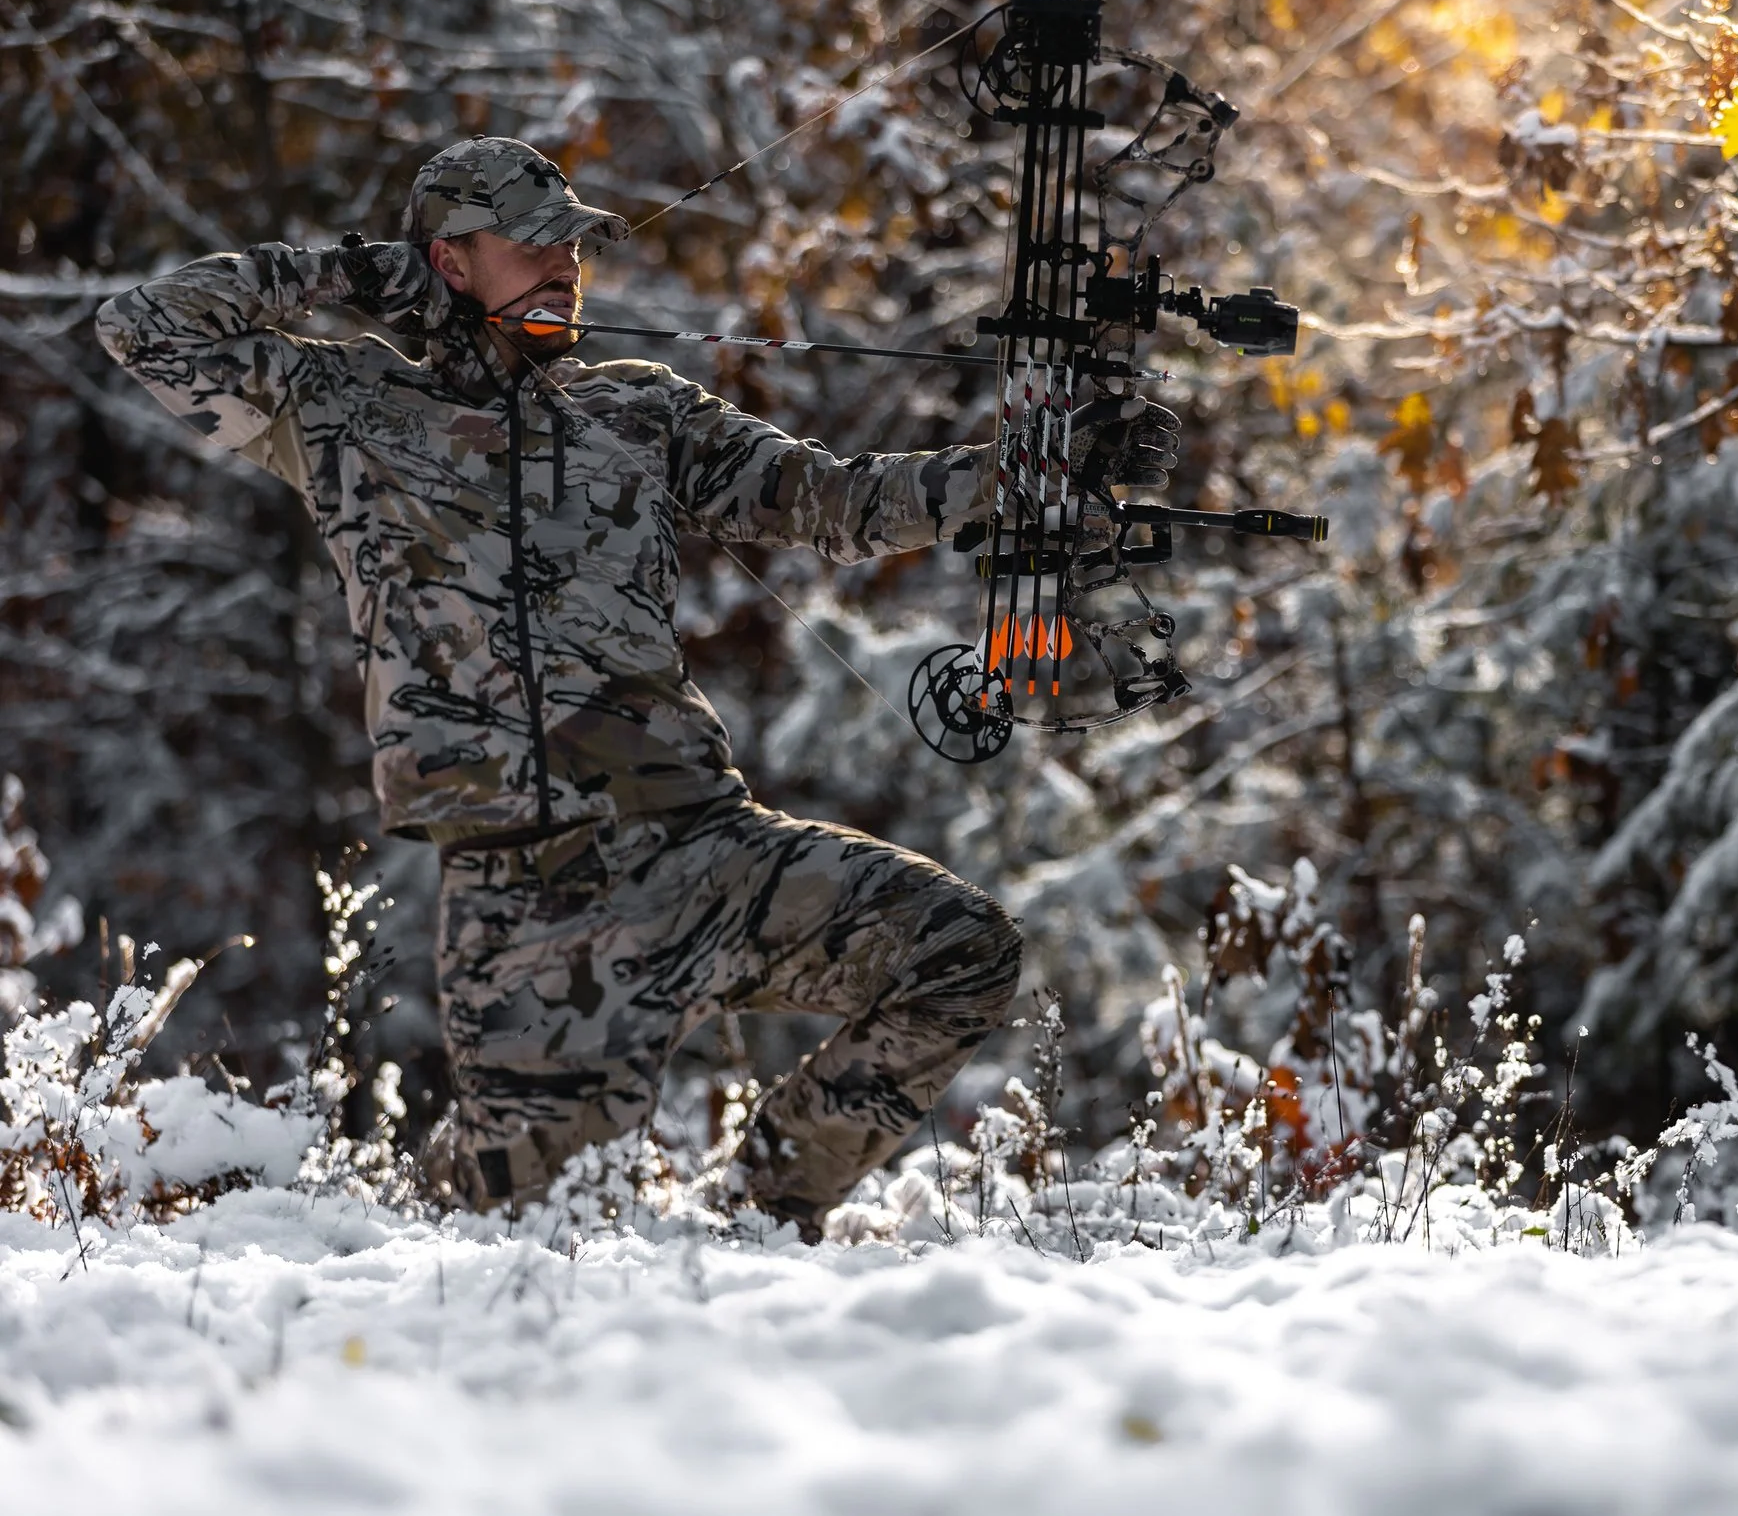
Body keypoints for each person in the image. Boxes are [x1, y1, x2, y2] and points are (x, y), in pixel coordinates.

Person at [94, 136, 1178, 1227]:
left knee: (959, 949)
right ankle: (317, 1209)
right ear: (451, 261)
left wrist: (1025, 472)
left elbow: (838, 501)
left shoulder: (639, 411)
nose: (567, 265)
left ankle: (755, 1219)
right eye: (535, 243)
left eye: (576, 246)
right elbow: (144, 326)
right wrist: (365, 273)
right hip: (531, 899)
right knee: (536, 1236)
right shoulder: (341, 411)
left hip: (702, 848)